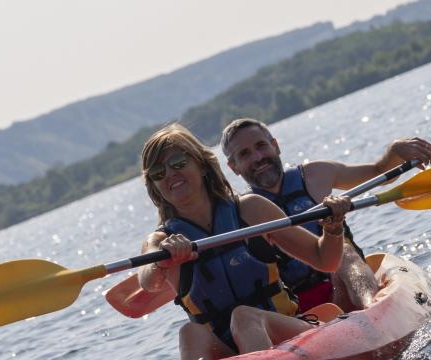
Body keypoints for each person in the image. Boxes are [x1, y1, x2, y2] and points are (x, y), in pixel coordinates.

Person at [137, 124, 352, 359]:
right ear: (154, 186)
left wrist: (333, 229)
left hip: (292, 333)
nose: (170, 174)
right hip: (230, 350)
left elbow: (326, 260)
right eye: (158, 172)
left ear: (201, 164)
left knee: (244, 317)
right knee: (190, 332)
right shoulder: (160, 242)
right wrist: (161, 263)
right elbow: (148, 280)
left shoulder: (250, 209)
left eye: (178, 163)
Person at [220, 118, 431, 312]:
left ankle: (373, 308)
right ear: (233, 167)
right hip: (296, 309)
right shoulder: (239, 212)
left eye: (261, 146)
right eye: (244, 154)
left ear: (275, 146)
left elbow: (378, 172)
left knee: (343, 249)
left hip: (345, 284)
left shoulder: (315, 174)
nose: (258, 158)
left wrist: (395, 150)